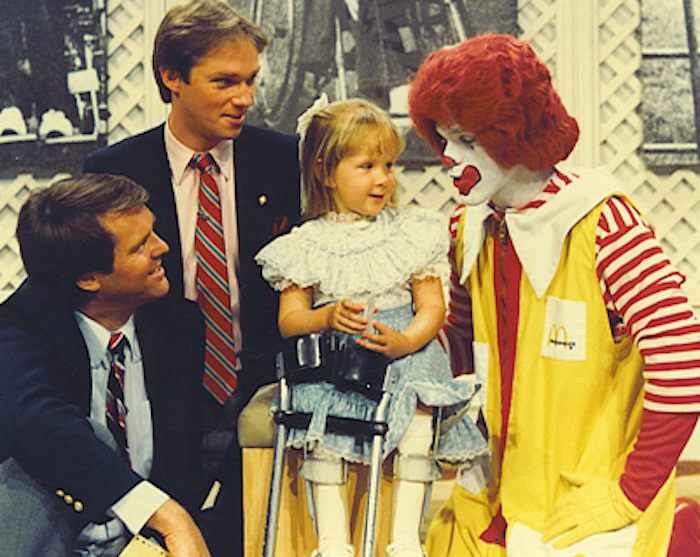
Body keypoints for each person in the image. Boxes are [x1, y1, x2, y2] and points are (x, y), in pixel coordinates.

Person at [407, 33, 700, 556]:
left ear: (511, 138)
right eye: (444, 138)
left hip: (581, 505)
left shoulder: (605, 223)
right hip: (489, 499)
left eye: (465, 141)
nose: (447, 158)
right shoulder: (466, 226)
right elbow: (459, 338)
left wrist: (629, 497)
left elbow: (683, 364)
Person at [83, 1, 301, 552]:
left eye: (251, 80)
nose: (245, 98)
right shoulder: (113, 172)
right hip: (158, 402)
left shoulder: (284, 162)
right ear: (171, 77)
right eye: (225, 81)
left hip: (267, 395)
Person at [255, 97, 487, 557]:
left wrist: (407, 340)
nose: (383, 178)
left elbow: (431, 307)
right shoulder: (307, 244)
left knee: (420, 416)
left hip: (403, 352)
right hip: (338, 359)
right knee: (323, 431)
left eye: (388, 165)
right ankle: (333, 541)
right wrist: (324, 317)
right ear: (325, 173)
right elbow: (289, 320)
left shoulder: (409, 233)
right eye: (366, 166)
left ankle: (405, 539)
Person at [0, 174, 209, 556]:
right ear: (88, 278)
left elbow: (184, 461)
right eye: (141, 245)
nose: (163, 247)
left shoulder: (180, 326)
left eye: (154, 232)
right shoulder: (19, 326)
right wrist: (159, 510)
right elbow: (36, 422)